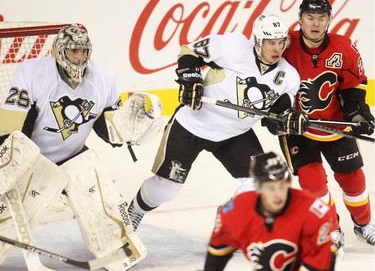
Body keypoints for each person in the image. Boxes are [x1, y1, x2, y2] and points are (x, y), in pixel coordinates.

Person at [127, 14, 309, 231]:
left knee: (262, 182)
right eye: (271, 42)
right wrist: (191, 80)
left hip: (235, 134)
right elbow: (189, 51)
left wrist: (288, 121)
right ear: (258, 41)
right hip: (192, 126)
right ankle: (134, 212)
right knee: (166, 188)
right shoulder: (234, 47)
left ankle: (227, 215)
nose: (277, 48)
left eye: (281, 42)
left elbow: (274, 120)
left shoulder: (288, 76)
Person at [0, 24, 159, 270]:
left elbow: (109, 130)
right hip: (34, 163)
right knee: (7, 221)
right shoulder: (33, 72)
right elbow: (11, 129)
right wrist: (10, 170)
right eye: (75, 51)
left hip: (75, 158)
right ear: (60, 50)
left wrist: (129, 128)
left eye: (84, 52)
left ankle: (118, 250)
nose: (80, 57)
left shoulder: (104, 79)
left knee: (107, 215)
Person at [280, 0, 375, 251]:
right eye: (310, 17)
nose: (316, 23)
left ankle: (364, 224)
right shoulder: (285, 44)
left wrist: (358, 113)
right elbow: (268, 78)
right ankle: (330, 228)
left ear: (329, 20)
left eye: (321, 18)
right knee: (313, 182)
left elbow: (353, 86)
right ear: (300, 19)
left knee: (354, 179)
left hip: (335, 125)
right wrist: (283, 112)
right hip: (297, 127)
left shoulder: (343, 47)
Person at [203, 151, 336, 271]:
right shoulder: (236, 210)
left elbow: (318, 265)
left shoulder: (314, 212)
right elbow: (218, 252)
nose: (278, 194)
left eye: (282, 186)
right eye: (271, 188)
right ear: (258, 187)